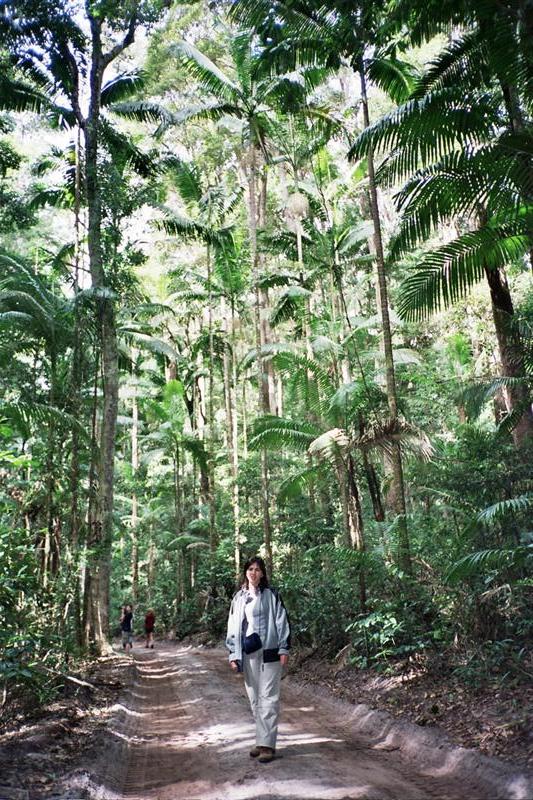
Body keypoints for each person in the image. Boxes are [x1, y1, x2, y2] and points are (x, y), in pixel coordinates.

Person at [226, 556, 291, 764]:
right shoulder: (239, 598)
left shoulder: (272, 596)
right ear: (246, 572)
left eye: (257, 569)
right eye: (250, 569)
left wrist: (284, 648)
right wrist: (233, 654)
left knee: (269, 697)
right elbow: (232, 626)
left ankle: (267, 746)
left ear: (262, 573)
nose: (253, 573)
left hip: (270, 651)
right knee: (255, 697)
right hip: (249, 652)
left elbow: (282, 621)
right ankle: (261, 738)